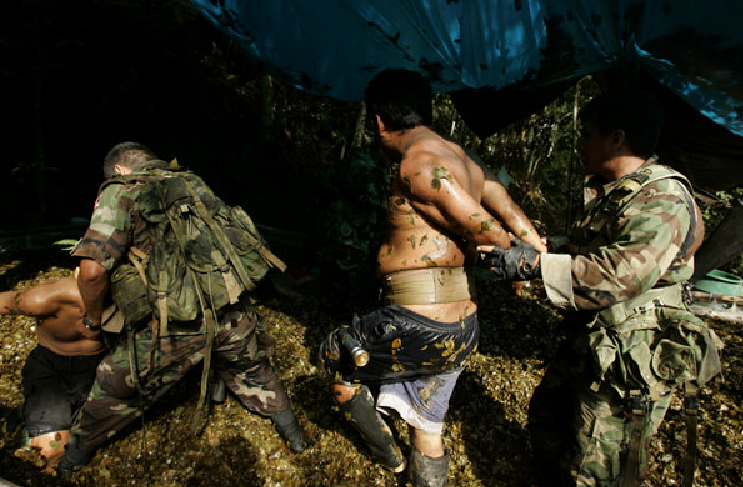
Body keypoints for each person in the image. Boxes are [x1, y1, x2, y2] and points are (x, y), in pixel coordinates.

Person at [481, 89, 722, 487]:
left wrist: (535, 266)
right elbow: (594, 248)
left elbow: (620, 275)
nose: (579, 146)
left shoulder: (662, 198)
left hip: (629, 358)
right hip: (596, 340)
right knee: (551, 424)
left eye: (587, 135)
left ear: (616, 139)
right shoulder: (619, 192)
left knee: (596, 467)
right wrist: (546, 249)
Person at [319, 69, 545, 487]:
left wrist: (521, 262)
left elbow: (484, 229)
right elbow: (503, 201)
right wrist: (532, 240)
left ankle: (389, 457)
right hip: (460, 328)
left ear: (379, 122)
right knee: (427, 427)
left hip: (417, 326)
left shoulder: (419, 164)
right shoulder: (464, 157)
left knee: (336, 357)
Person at [57, 142, 306, 476]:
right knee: (255, 370)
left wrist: (92, 317)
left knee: (114, 384)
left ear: (119, 169)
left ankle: (72, 459)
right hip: (231, 308)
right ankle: (294, 436)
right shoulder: (188, 181)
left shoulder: (121, 191)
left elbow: (92, 271)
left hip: (176, 326)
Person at [0, 275, 104, 465]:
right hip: (52, 370)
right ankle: (30, 424)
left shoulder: (131, 294)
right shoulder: (46, 297)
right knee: (52, 451)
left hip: (103, 368)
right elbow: (6, 303)